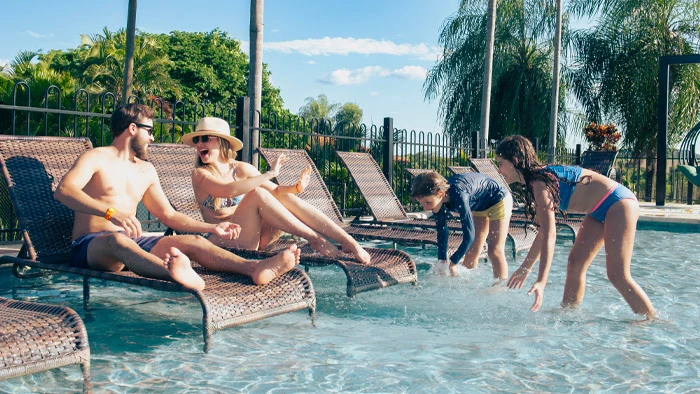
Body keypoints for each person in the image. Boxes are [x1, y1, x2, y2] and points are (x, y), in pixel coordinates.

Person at [54, 104, 301, 292]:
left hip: (135, 246)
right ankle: (172, 272)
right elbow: (64, 191)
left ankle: (254, 268)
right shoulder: (96, 157)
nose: (152, 138)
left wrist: (213, 227)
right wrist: (111, 213)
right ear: (132, 129)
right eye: (149, 131)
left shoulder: (146, 170)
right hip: (92, 245)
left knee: (193, 241)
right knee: (117, 242)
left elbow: (169, 215)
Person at [496, 135, 655, 318]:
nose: (499, 170)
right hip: (599, 209)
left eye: (500, 163)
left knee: (617, 274)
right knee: (575, 262)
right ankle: (569, 314)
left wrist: (541, 281)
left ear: (515, 161)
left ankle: (650, 320)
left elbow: (550, 235)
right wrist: (526, 268)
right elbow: (542, 233)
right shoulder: (535, 182)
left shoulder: (540, 183)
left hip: (618, 203)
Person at [183, 117, 371, 264]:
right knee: (257, 194)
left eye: (205, 138)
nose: (199, 144)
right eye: (197, 140)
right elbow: (228, 190)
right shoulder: (199, 174)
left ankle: (349, 242)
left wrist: (296, 188)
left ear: (222, 142)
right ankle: (314, 239)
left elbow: (275, 191)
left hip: (256, 239)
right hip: (224, 243)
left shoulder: (241, 168)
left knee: (283, 197)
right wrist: (269, 173)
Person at [410, 170, 513, 279]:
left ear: (441, 193)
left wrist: (453, 263)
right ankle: (469, 287)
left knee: (495, 251)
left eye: (427, 202)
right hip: (479, 205)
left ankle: (499, 289)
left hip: (498, 199)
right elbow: (442, 231)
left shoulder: (459, 195)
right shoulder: (436, 200)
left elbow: (469, 235)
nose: (425, 208)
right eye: (421, 203)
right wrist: (442, 261)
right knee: (472, 251)